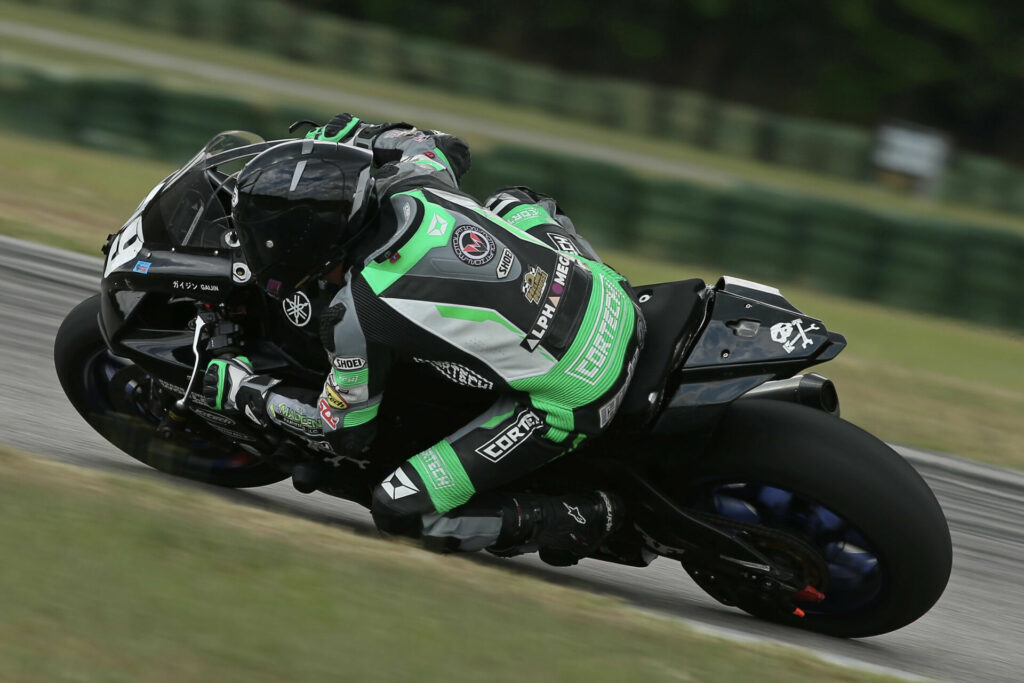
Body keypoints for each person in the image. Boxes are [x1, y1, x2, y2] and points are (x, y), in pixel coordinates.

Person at [203, 113, 645, 565]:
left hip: (579, 389)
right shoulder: (415, 179)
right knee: (515, 200)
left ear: (304, 244)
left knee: (401, 509)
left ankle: (574, 516)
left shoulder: (356, 311)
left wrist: (245, 392)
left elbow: (343, 433)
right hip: (611, 295)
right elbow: (445, 144)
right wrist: (358, 135)